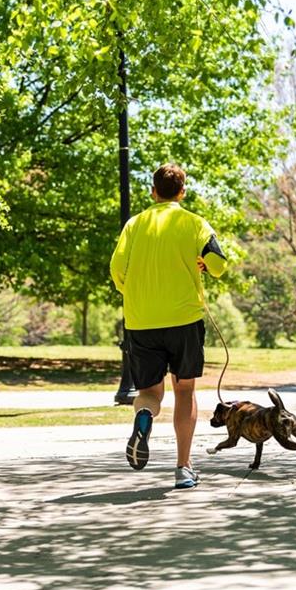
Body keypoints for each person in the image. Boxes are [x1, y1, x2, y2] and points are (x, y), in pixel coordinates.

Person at [110, 163, 228, 489]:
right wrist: (204, 264)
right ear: (182, 191)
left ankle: (144, 417)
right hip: (184, 320)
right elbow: (218, 265)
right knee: (185, 390)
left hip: (141, 321)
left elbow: (117, 269)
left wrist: (135, 293)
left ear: (153, 191)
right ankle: (183, 468)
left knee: (149, 392)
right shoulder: (194, 223)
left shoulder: (135, 225)